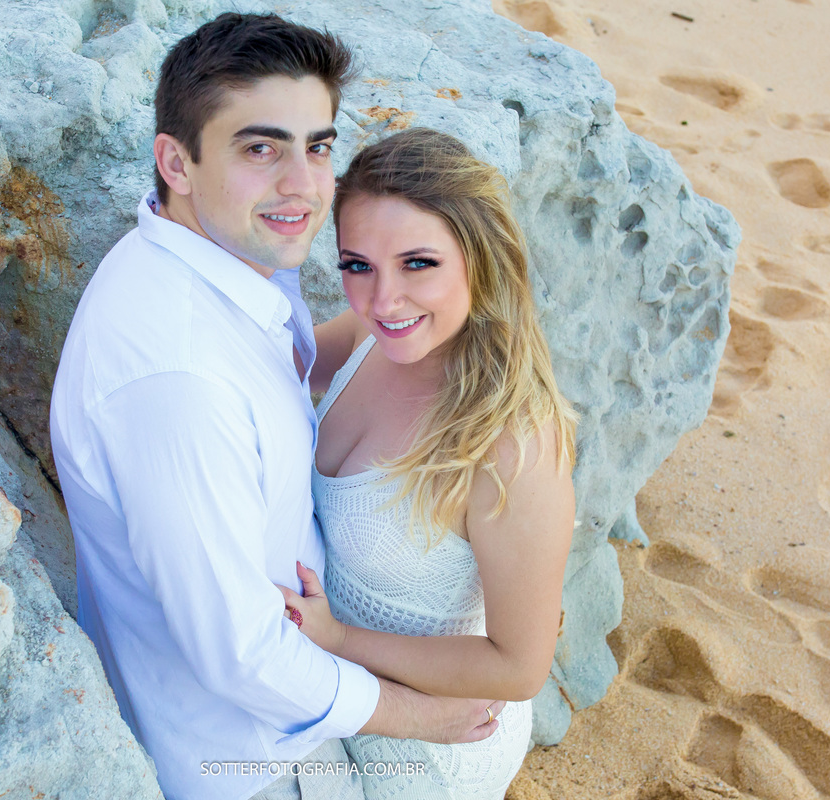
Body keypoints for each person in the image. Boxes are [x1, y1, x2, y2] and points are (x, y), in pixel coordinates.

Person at [49, 16, 504, 800]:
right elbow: (240, 655)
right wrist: (422, 716)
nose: (304, 185)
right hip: (259, 757)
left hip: (312, 682)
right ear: (177, 162)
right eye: (261, 149)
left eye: (317, 147)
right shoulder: (179, 382)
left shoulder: (212, 261)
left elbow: (298, 362)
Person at [280, 128, 579, 799]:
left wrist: (339, 640)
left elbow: (519, 667)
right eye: (358, 265)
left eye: (418, 263)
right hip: (332, 685)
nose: (383, 300)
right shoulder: (369, 337)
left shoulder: (513, 446)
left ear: (480, 258)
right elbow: (265, 368)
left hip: (430, 746)